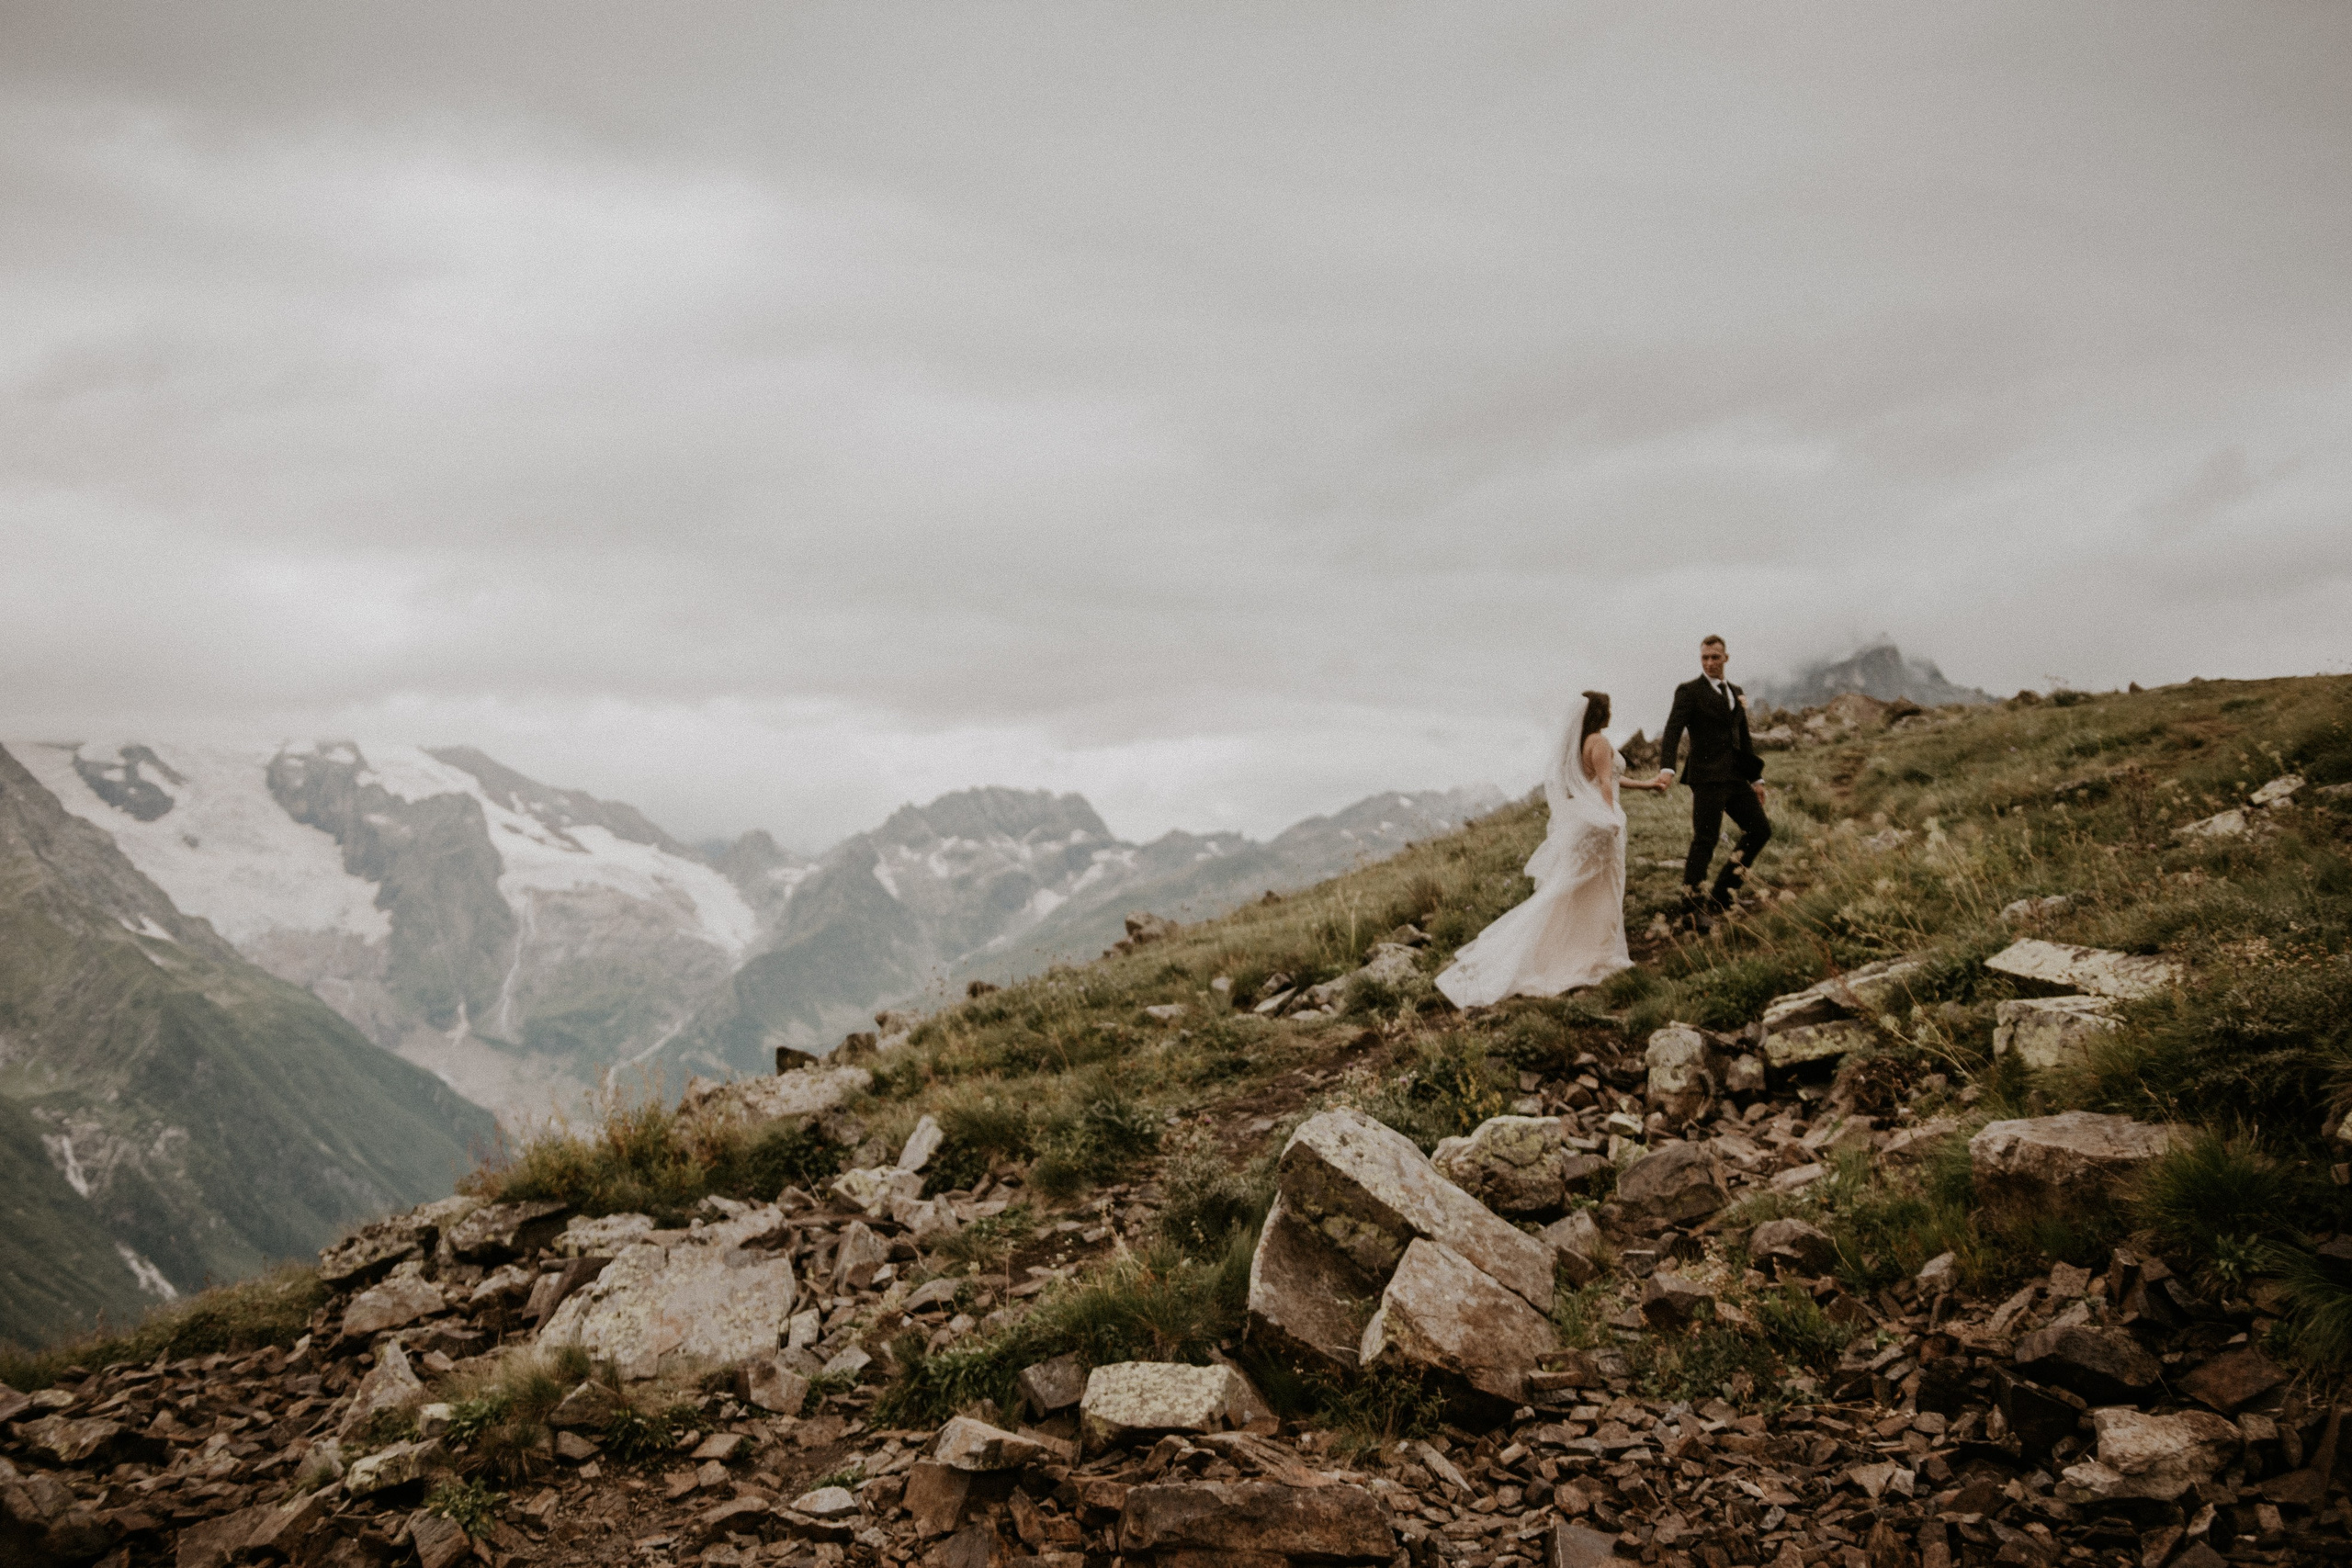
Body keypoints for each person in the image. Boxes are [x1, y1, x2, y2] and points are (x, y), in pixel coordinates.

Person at [1436, 692, 1668, 1009]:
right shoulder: (1598, 741)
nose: (1611, 712)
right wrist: (1611, 818)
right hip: (1600, 826)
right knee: (1602, 889)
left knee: (1576, 891)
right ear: (1601, 712)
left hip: (1586, 823)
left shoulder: (1580, 745)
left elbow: (1609, 779)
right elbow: (1603, 784)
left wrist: (1646, 784)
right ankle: (1593, 956)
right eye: (1608, 707)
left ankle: (1580, 951)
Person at [1650, 634, 1770, 930]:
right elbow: (1673, 730)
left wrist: (1756, 778)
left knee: (1760, 830)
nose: (1710, 663)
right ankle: (1691, 910)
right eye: (1705, 657)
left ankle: (1723, 895)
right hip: (1706, 778)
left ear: (1725, 658)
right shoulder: (1689, 691)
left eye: (1715, 657)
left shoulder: (1736, 691)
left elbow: (1743, 739)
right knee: (1705, 839)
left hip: (1735, 776)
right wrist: (1667, 768)